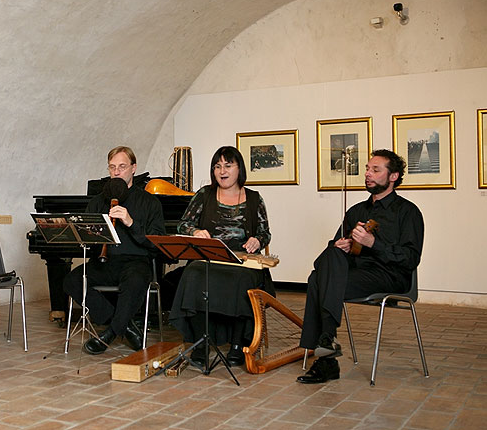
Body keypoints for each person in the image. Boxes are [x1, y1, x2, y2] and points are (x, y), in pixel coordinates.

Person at [297, 149, 424, 384]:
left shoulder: (408, 212)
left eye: (375, 170)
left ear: (393, 176)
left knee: (317, 279)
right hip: (353, 273)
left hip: (389, 276)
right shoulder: (356, 210)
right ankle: (326, 344)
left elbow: (410, 258)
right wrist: (341, 245)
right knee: (330, 259)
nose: (368, 174)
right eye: (367, 168)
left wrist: (373, 243)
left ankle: (326, 356)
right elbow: (334, 249)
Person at [169, 146, 273, 369]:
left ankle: (237, 344)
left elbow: (265, 233)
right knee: (192, 273)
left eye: (228, 165)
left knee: (243, 280)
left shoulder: (254, 198)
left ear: (239, 169)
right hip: (209, 255)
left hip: (243, 259)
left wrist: (257, 240)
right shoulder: (204, 195)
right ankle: (200, 343)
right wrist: (195, 232)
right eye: (218, 166)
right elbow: (183, 224)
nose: (222, 171)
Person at [63, 146, 165, 354]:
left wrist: (130, 222)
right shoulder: (97, 201)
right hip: (105, 262)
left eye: (122, 166)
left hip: (136, 262)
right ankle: (126, 328)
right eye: (112, 167)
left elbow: (157, 243)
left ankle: (108, 335)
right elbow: (87, 239)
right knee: (72, 281)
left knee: (136, 281)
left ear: (134, 168)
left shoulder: (149, 202)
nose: (117, 172)